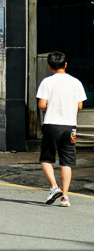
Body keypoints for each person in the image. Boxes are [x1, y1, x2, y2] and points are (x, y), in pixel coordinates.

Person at [37, 51, 86, 206]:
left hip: (52, 125)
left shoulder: (47, 82)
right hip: (70, 127)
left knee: (46, 159)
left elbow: (42, 105)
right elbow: (80, 105)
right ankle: (65, 197)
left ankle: (54, 186)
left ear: (50, 67)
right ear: (65, 64)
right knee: (67, 162)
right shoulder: (76, 82)